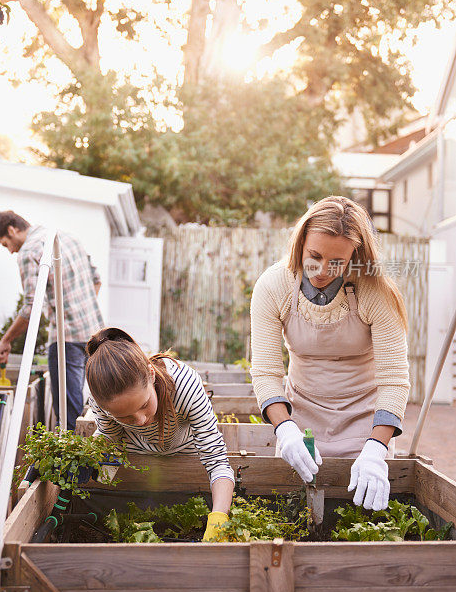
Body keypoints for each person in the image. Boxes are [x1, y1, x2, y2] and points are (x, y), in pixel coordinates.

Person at [250, 196, 410, 512]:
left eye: (337, 262)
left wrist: (376, 448)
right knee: (297, 512)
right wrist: (285, 429)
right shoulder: (273, 286)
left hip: (364, 419)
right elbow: (267, 373)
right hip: (301, 421)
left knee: (361, 513)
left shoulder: (375, 290)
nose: (323, 270)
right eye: (315, 256)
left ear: (355, 256)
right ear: (300, 242)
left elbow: (394, 381)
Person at [85, 327, 235, 541]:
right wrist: (97, 474)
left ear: (152, 374)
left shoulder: (186, 386)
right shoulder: (100, 400)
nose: (140, 420)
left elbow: (217, 461)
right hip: (135, 460)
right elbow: (111, 440)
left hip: (187, 456)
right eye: (125, 417)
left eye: (144, 405)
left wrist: (219, 517)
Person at [0, 210, 104, 430]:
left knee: (68, 415)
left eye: (6, 244)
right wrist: (78, 308)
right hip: (96, 333)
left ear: (12, 230)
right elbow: (96, 280)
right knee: (102, 404)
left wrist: (6, 340)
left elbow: (32, 307)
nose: (11, 251)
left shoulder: (29, 252)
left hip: (66, 338)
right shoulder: (68, 238)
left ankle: (73, 462)